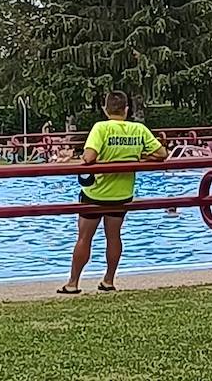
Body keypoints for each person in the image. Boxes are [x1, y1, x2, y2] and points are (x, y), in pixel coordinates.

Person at [58, 90, 167, 295]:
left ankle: (73, 283)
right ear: (126, 109)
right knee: (114, 237)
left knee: (84, 238)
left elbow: (89, 157)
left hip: (95, 194)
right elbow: (162, 154)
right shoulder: (139, 130)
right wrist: (139, 157)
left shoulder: (101, 128)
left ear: (105, 109)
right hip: (122, 195)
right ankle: (108, 280)